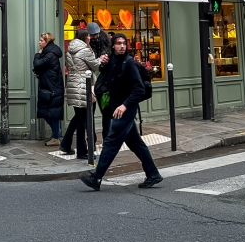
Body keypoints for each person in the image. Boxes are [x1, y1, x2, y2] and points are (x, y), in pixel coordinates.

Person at [79, 33, 162, 191]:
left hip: (125, 109)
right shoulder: (113, 60)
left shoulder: (129, 63)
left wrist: (124, 105)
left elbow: (139, 88)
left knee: (111, 141)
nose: (122, 46)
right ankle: (153, 174)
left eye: (124, 43)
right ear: (113, 45)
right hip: (117, 107)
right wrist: (103, 63)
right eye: (118, 43)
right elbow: (107, 76)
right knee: (135, 143)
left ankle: (96, 177)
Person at [59, 27, 99, 157]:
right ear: (84, 37)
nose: (90, 37)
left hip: (72, 84)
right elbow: (96, 66)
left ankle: (65, 144)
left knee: (78, 117)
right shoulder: (85, 50)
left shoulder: (70, 49)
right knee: (83, 119)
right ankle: (82, 151)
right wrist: (102, 58)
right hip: (84, 85)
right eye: (88, 35)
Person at [33, 32, 65, 145]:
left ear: (46, 42)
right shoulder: (49, 53)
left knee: (52, 113)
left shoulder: (50, 54)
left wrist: (37, 54)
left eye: (41, 40)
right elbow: (42, 68)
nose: (39, 42)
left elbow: (37, 64)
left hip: (53, 88)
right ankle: (56, 134)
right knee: (48, 112)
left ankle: (56, 137)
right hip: (50, 87)